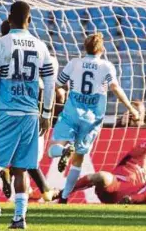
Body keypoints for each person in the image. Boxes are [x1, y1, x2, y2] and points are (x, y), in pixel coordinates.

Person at [47, 32, 140, 203]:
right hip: (92, 119)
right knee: (79, 159)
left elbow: (58, 84)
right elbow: (115, 88)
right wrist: (131, 109)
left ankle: (64, 151)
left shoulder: (74, 63)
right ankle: (65, 196)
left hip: (71, 113)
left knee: (52, 150)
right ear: (102, 49)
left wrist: (56, 94)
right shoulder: (106, 66)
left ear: (85, 47)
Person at [0, 1, 56, 228]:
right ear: (29, 20)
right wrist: (47, 112)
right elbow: (50, 82)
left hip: (5, 111)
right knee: (21, 167)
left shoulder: (1, 44)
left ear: (9, 18)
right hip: (31, 113)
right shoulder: (40, 46)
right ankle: (19, 218)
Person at [60, 138, 146, 204]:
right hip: (114, 187)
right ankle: (63, 194)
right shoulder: (136, 156)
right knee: (101, 176)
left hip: (133, 197)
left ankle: (129, 200)